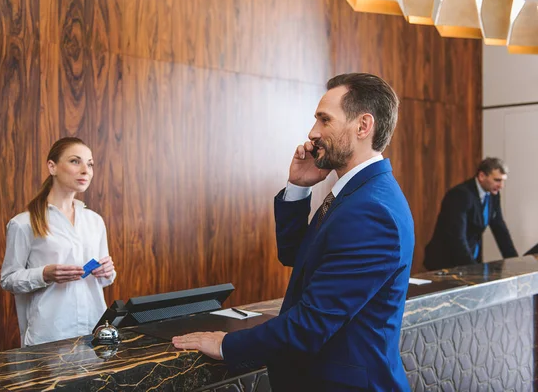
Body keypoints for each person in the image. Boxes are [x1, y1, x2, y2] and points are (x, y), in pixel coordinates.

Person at [172, 73, 414, 391]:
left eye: (324, 120)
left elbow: (310, 326)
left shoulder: (371, 210)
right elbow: (295, 256)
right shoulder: (360, 194)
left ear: (363, 126)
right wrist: (298, 188)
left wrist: (225, 344)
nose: (313, 133)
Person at [0, 137, 116, 347]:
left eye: (90, 164)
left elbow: (105, 281)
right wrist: (44, 274)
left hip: (95, 332)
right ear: (52, 167)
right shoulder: (23, 223)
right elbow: (8, 279)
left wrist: (108, 272)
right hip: (50, 334)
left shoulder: (95, 221)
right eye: (75, 161)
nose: (85, 170)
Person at [423, 157, 518, 271]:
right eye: (497, 180)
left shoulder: (493, 195)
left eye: (503, 181)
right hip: (446, 262)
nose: (501, 186)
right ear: (482, 176)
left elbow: (500, 229)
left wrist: (515, 264)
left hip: (470, 259)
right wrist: (473, 270)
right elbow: (457, 238)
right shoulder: (460, 195)